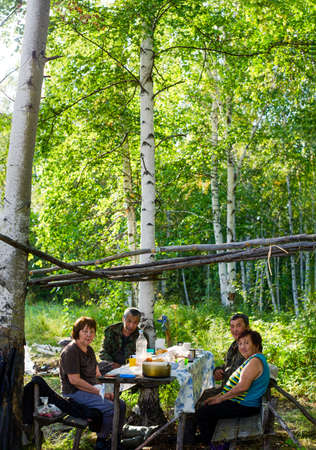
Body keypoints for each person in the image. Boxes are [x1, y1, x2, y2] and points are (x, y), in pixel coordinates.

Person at [59, 316, 126, 450]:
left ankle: (115, 439)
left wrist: (107, 390)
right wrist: (100, 392)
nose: (89, 335)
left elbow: (97, 374)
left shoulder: (89, 350)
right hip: (74, 393)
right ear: (77, 332)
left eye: (92, 332)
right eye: (85, 331)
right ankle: (101, 441)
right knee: (110, 407)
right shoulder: (70, 351)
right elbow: (75, 381)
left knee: (121, 404)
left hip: (90, 388)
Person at [196, 329, 270, 445]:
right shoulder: (252, 360)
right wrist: (217, 397)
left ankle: (213, 445)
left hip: (245, 406)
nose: (242, 347)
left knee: (203, 412)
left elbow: (242, 387)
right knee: (206, 406)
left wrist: (219, 399)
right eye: (240, 344)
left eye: (246, 343)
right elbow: (234, 387)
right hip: (241, 403)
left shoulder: (254, 361)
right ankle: (213, 442)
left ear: (256, 345)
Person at [213, 312, 250, 384]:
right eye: (232, 326)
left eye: (238, 326)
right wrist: (218, 370)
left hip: (238, 392)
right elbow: (228, 364)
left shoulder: (250, 346)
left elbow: (243, 376)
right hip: (227, 388)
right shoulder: (234, 344)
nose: (235, 330)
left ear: (247, 327)